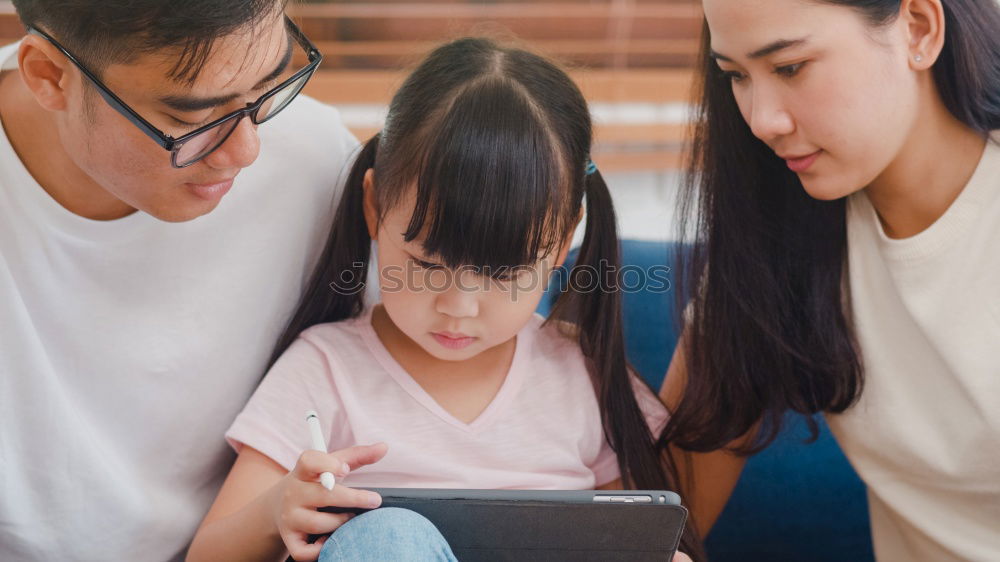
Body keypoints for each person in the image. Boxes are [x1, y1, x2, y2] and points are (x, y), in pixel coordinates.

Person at [186, 37, 698, 562]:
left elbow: (628, 536)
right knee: (387, 539)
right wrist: (278, 510)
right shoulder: (325, 371)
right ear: (373, 206)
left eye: (503, 273)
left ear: (564, 242)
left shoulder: (583, 373)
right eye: (427, 265)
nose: (459, 305)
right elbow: (208, 554)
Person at [0, 1, 358, 559]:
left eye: (269, 84)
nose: (247, 150)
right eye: (194, 117)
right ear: (50, 77)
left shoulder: (317, 163)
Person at [659, 0, 1000, 560]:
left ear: (918, 28)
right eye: (736, 76)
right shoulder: (782, 232)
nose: (762, 120)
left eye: (790, 67)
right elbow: (657, 512)